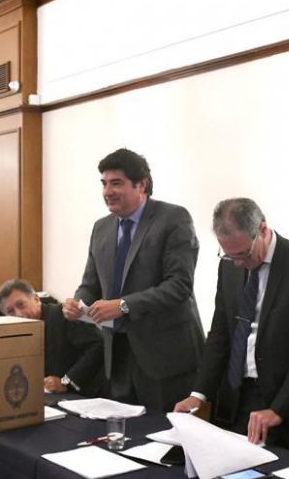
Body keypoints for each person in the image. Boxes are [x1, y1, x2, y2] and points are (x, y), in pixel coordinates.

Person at [174, 198, 289, 454]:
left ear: (262, 230)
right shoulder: (229, 266)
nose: (237, 262)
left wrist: (279, 409)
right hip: (237, 394)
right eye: (228, 254)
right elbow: (220, 334)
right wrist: (199, 394)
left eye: (243, 254)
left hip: (287, 399)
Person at [62, 148, 204, 412]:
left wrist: (123, 305)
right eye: (104, 184)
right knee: (121, 437)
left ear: (142, 185)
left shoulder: (174, 218)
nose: (107, 191)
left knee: (165, 442)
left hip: (165, 358)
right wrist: (77, 302)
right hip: (116, 355)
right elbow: (90, 283)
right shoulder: (101, 228)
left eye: (116, 183)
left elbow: (179, 286)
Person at [0, 278, 106, 397]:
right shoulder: (13, 333)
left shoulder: (63, 316)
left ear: (36, 299)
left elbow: (99, 346)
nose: (18, 314)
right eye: (10, 311)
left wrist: (65, 382)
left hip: (82, 394)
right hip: (46, 395)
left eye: (21, 305)